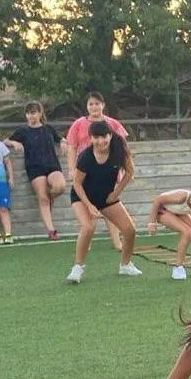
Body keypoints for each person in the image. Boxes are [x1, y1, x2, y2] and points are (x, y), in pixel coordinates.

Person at [66, 120, 142, 281]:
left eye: (104, 137)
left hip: (106, 197)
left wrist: (115, 194)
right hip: (82, 197)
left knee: (130, 230)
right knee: (88, 227)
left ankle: (125, 265)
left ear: (110, 135)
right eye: (96, 138)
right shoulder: (85, 157)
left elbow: (129, 172)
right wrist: (89, 205)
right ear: (91, 138)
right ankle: (77, 268)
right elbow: (77, 184)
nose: (101, 141)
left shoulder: (118, 149)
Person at [63, 92, 128, 252]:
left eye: (97, 103)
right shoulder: (78, 124)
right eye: (91, 104)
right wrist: (71, 168)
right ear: (87, 106)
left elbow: (123, 145)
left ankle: (117, 241)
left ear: (103, 105)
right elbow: (72, 146)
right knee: (88, 208)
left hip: (108, 171)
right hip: (86, 172)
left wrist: (121, 167)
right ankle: (87, 239)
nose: (94, 107)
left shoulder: (112, 123)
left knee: (110, 205)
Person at [6, 102, 66, 239]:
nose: (30, 116)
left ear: (40, 113)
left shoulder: (48, 128)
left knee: (60, 186)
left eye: (33, 113)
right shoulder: (22, 131)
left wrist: (63, 142)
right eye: (28, 113)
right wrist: (14, 142)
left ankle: (50, 198)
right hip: (35, 167)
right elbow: (5, 141)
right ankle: (51, 230)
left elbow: (61, 138)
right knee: (42, 198)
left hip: (52, 165)